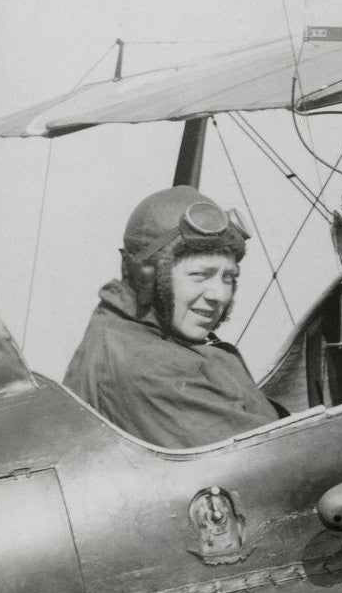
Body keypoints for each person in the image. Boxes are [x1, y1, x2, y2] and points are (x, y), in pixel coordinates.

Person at [64, 185, 282, 448]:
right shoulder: (148, 365)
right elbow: (269, 456)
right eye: (200, 275)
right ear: (148, 276)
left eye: (228, 277)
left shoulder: (132, 333)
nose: (220, 295)